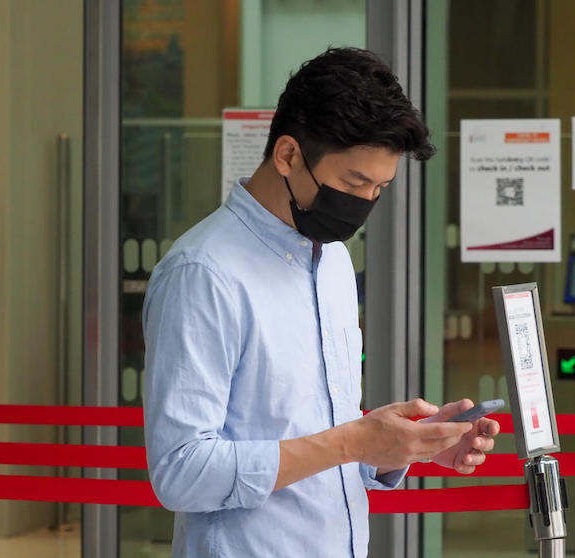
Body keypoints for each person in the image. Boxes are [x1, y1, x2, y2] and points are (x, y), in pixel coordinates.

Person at [142, 48, 500, 558]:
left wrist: (401, 449)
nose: (363, 203)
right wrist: (354, 440)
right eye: (354, 183)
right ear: (287, 154)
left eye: (379, 188)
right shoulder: (203, 273)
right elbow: (181, 472)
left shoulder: (330, 261)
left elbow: (312, 439)